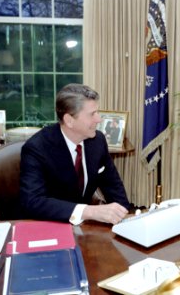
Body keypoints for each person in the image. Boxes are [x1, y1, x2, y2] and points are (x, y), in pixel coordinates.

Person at [20, 83, 130, 224]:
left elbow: (113, 185)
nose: (99, 119)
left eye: (97, 112)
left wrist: (125, 220)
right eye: (92, 114)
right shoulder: (37, 148)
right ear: (69, 120)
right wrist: (88, 211)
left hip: (84, 229)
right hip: (48, 225)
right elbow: (33, 202)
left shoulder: (97, 141)